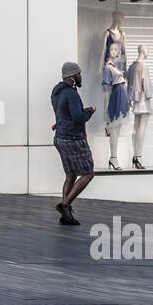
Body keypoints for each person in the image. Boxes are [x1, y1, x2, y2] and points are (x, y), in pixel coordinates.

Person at [51, 60, 96, 226]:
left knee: (70, 174)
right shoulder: (72, 94)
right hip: (73, 139)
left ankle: (66, 216)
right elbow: (77, 118)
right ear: (72, 75)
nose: (80, 76)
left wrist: (80, 111)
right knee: (88, 173)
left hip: (60, 138)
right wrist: (89, 113)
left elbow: (66, 113)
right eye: (78, 73)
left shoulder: (57, 92)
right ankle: (65, 205)